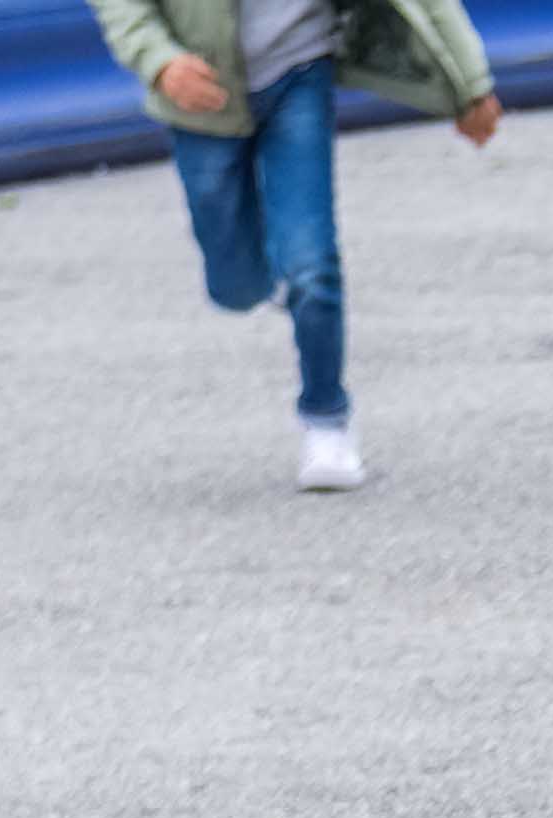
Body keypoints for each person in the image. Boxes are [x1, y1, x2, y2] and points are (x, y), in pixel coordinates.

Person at [88, 0, 506, 493]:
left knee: (312, 264)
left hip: (299, 72)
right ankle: (273, 276)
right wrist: (159, 61)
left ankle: (327, 420)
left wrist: (471, 87)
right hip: (200, 89)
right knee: (235, 287)